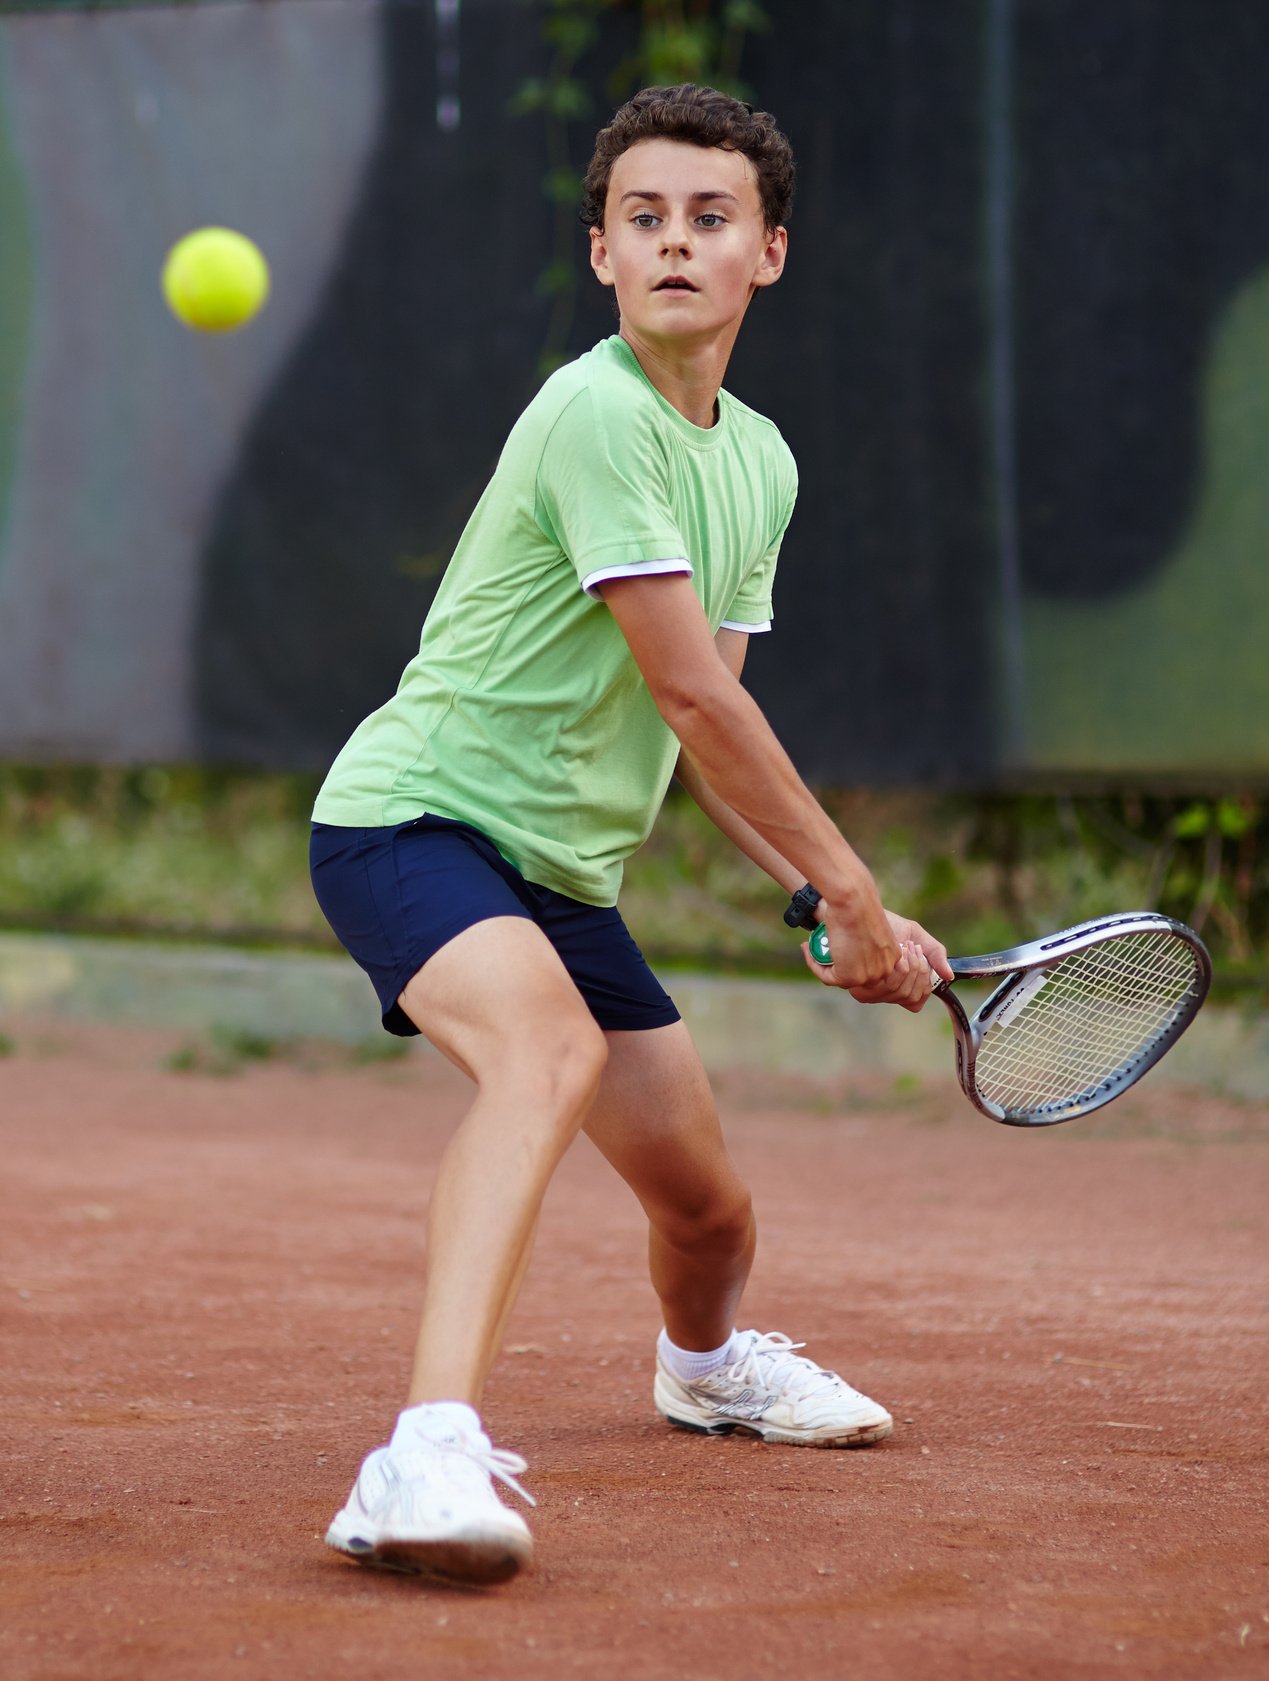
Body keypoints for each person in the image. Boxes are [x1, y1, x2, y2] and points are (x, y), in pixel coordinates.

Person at [308, 82, 949, 1587]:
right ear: (600, 253)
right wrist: (847, 883)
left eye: (707, 218)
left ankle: (705, 1366)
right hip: (411, 817)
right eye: (642, 218)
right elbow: (687, 691)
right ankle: (424, 1448)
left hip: (560, 877)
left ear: (765, 255)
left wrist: (827, 902)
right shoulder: (594, 412)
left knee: (706, 1210)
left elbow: (700, 728)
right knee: (546, 1055)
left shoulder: (760, 461)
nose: (674, 242)